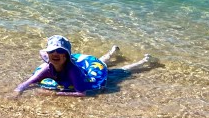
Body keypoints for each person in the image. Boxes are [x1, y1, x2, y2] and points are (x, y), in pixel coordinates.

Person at [11, 35, 154, 97]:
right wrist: (17, 92)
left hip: (88, 74)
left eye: (60, 51)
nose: (55, 54)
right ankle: (112, 53)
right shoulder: (46, 69)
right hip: (83, 68)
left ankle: (144, 62)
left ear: (66, 56)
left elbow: (81, 93)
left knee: (117, 73)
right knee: (101, 62)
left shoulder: (73, 71)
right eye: (52, 51)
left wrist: (55, 94)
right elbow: (26, 83)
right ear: (48, 55)